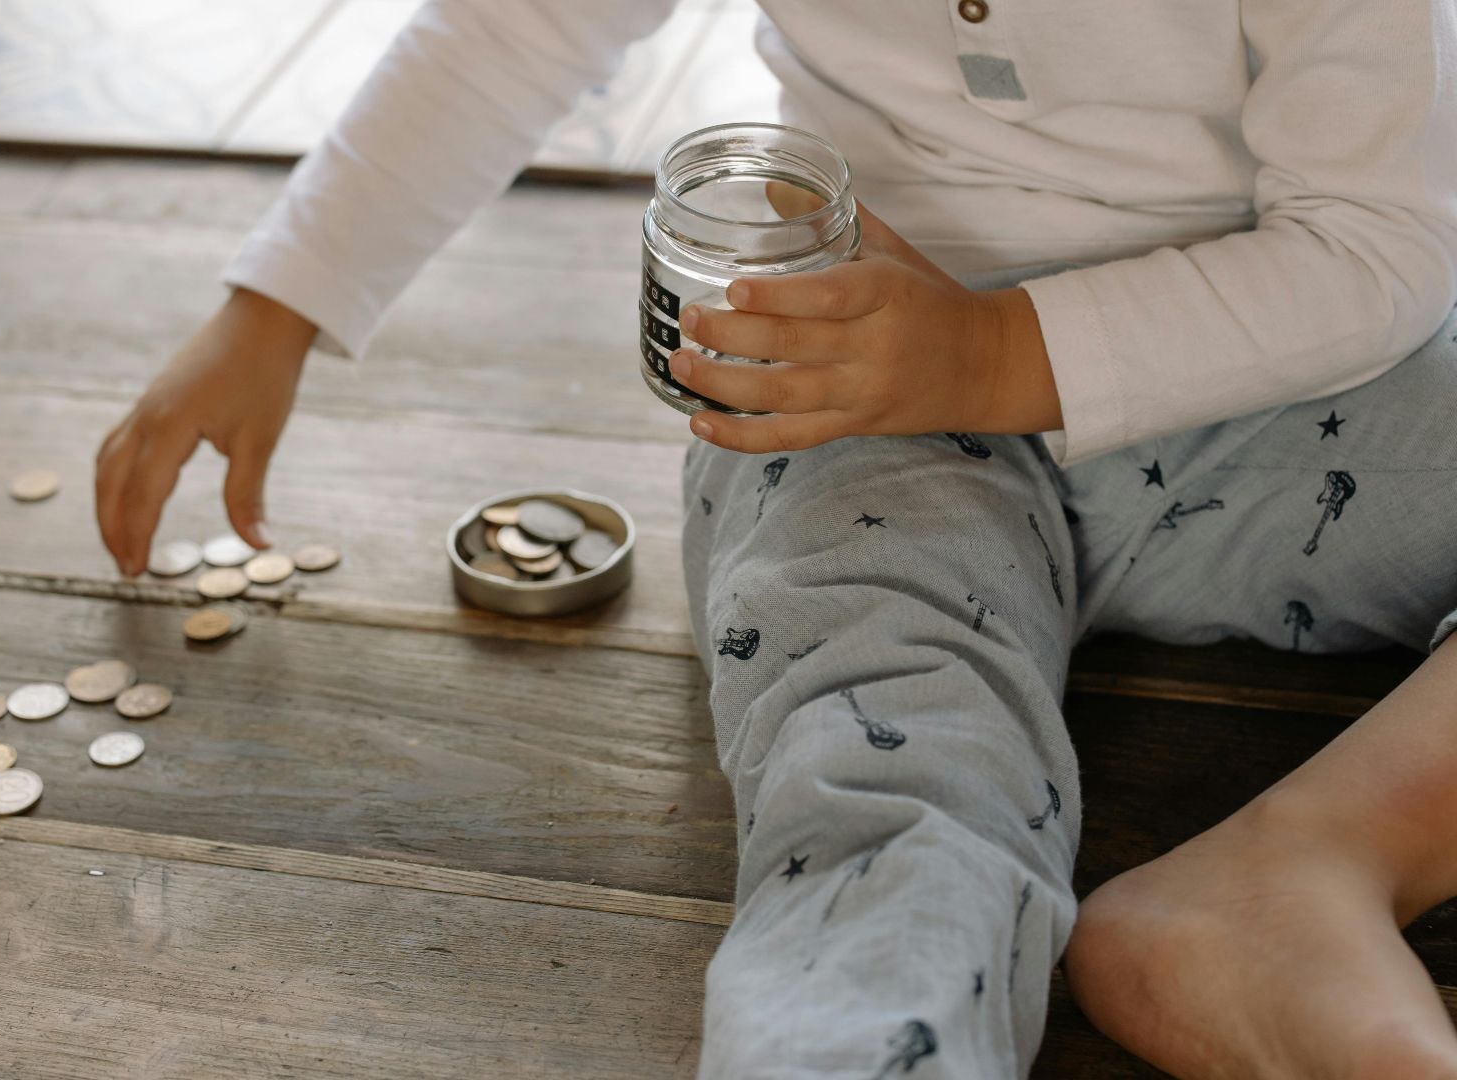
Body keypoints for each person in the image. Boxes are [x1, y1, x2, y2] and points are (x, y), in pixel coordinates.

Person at [94, 1, 1457, 1075]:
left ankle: (1314, 858)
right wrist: (278, 302)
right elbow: (521, 20)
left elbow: (1378, 247)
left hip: (1276, 392)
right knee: (881, 776)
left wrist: (997, 351)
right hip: (855, 401)